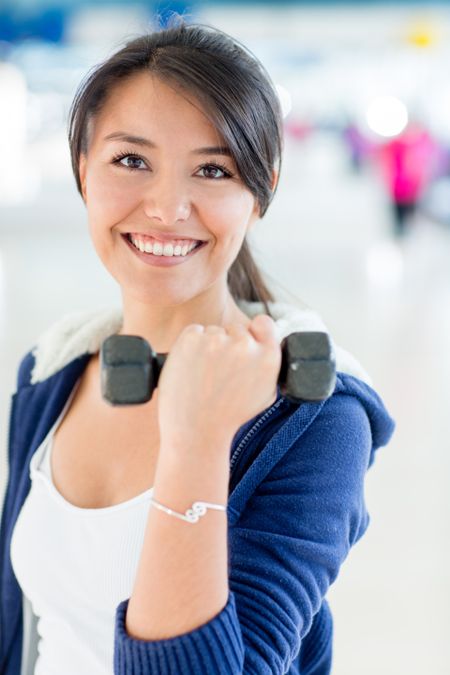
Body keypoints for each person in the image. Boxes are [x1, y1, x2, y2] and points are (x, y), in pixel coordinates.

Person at [0, 19, 395, 675]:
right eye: (131, 160)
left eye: (213, 169)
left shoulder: (314, 414)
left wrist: (198, 445)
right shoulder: (53, 370)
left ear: (259, 192)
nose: (166, 207)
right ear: (82, 172)